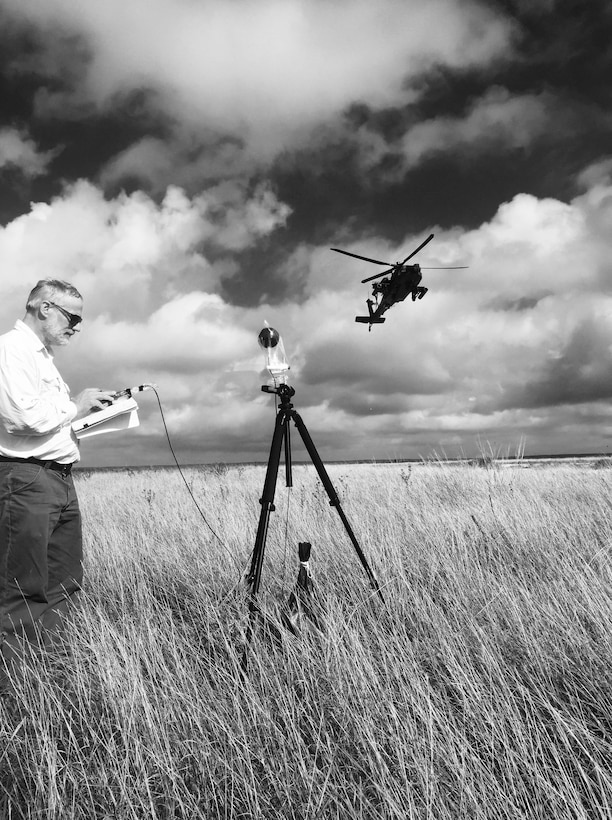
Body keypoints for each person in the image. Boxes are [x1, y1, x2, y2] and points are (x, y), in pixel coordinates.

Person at [0, 279, 113, 680]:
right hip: (27, 479)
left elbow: (50, 419)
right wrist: (74, 404)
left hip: (59, 479)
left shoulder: (43, 357)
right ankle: (18, 689)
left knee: (65, 582)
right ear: (44, 307)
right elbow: (22, 418)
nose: (76, 327)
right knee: (22, 586)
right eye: (72, 316)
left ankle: (50, 675)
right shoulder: (11, 348)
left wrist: (89, 415)